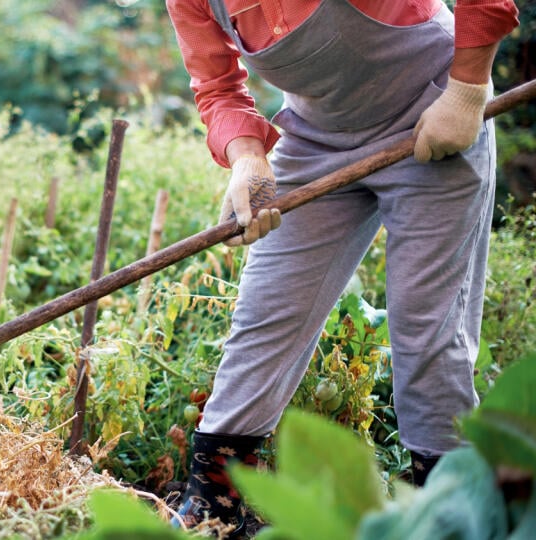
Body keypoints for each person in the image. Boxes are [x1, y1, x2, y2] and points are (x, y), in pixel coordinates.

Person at [164, 0, 520, 532]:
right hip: (315, 139)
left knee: (427, 334)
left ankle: (450, 516)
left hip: (431, 114)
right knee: (266, 315)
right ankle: (214, 507)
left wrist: (466, 89)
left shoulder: (451, 102)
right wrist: (247, 157)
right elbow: (216, 85)